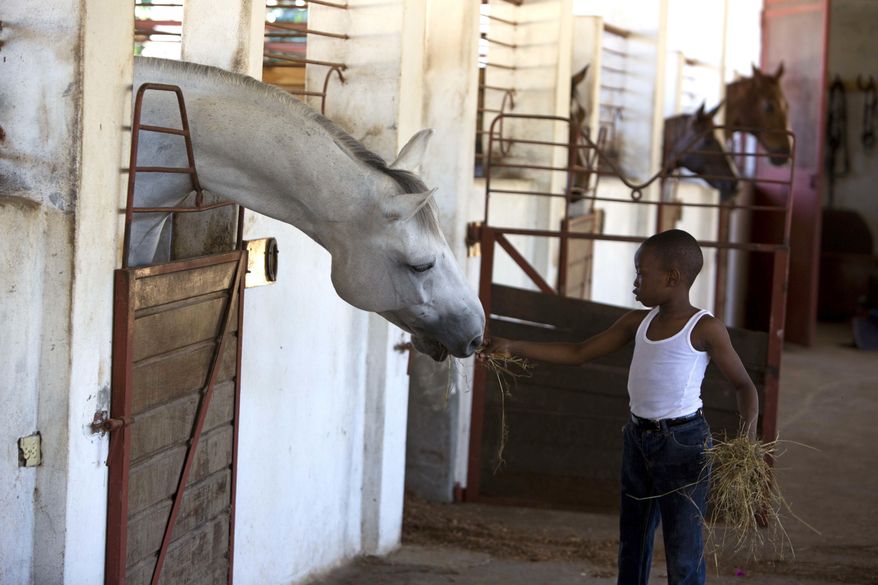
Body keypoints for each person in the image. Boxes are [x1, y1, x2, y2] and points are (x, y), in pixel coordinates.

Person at [480, 229, 758, 585]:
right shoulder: (635, 323)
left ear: (672, 277)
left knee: (683, 552)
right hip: (638, 440)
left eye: (642, 273)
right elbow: (578, 353)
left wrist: (747, 439)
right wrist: (513, 345)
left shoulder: (705, 328)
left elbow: (745, 386)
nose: (635, 283)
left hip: (684, 446)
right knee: (632, 545)